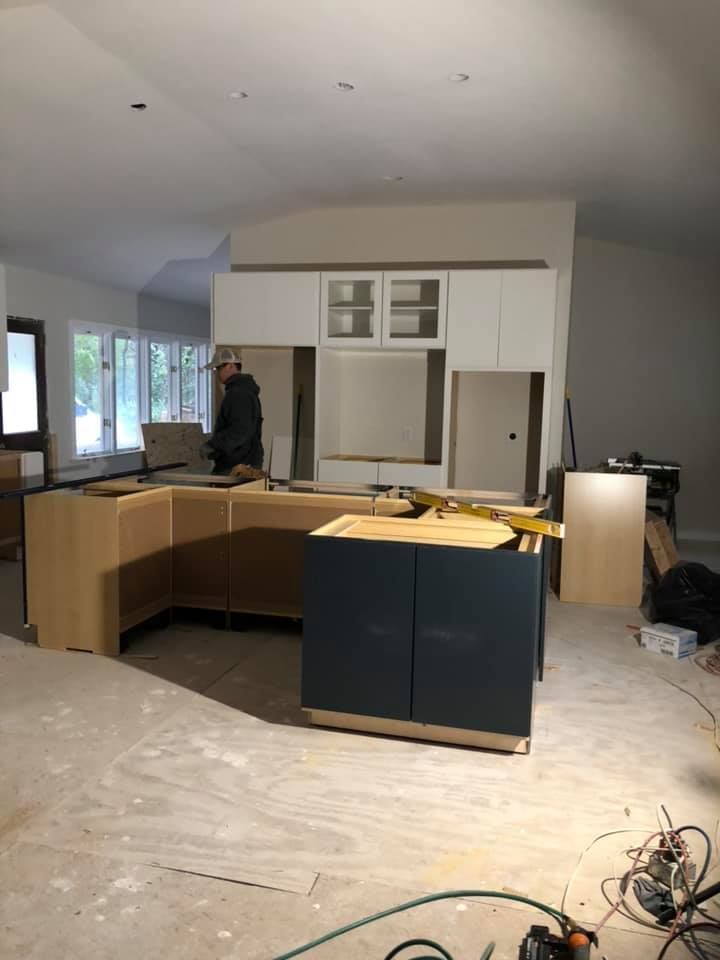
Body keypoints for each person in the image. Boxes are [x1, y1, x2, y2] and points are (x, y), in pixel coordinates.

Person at [201, 348, 264, 473]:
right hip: (245, 460)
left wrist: (213, 445)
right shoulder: (244, 390)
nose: (217, 373)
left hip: (237, 465)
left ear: (230, 366)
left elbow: (239, 431)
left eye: (218, 368)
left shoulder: (238, 394)